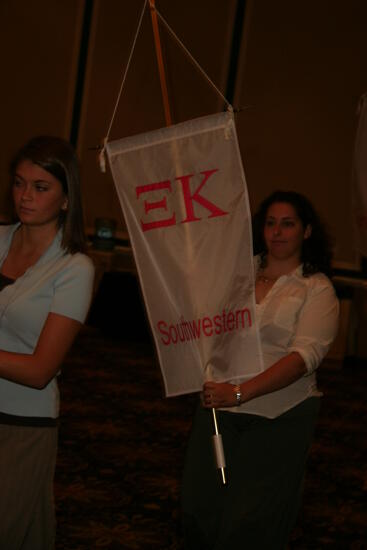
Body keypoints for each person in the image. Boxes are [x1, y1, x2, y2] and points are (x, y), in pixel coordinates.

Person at [181, 190, 339, 549]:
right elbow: (204, 327)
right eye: (270, 223)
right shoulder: (236, 274)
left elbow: (302, 359)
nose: (277, 232)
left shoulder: (316, 289)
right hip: (218, 411)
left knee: (250, 523)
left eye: (288, 224)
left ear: (307, 231)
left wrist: (239, 393)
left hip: (278, 418)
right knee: (200, 511)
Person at [0, 136, 95, 549]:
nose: (25, 196)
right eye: (19, 183)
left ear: (66, 198)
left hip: (22, 422)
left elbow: (40, 371)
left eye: (40, 187)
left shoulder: (75, 269)